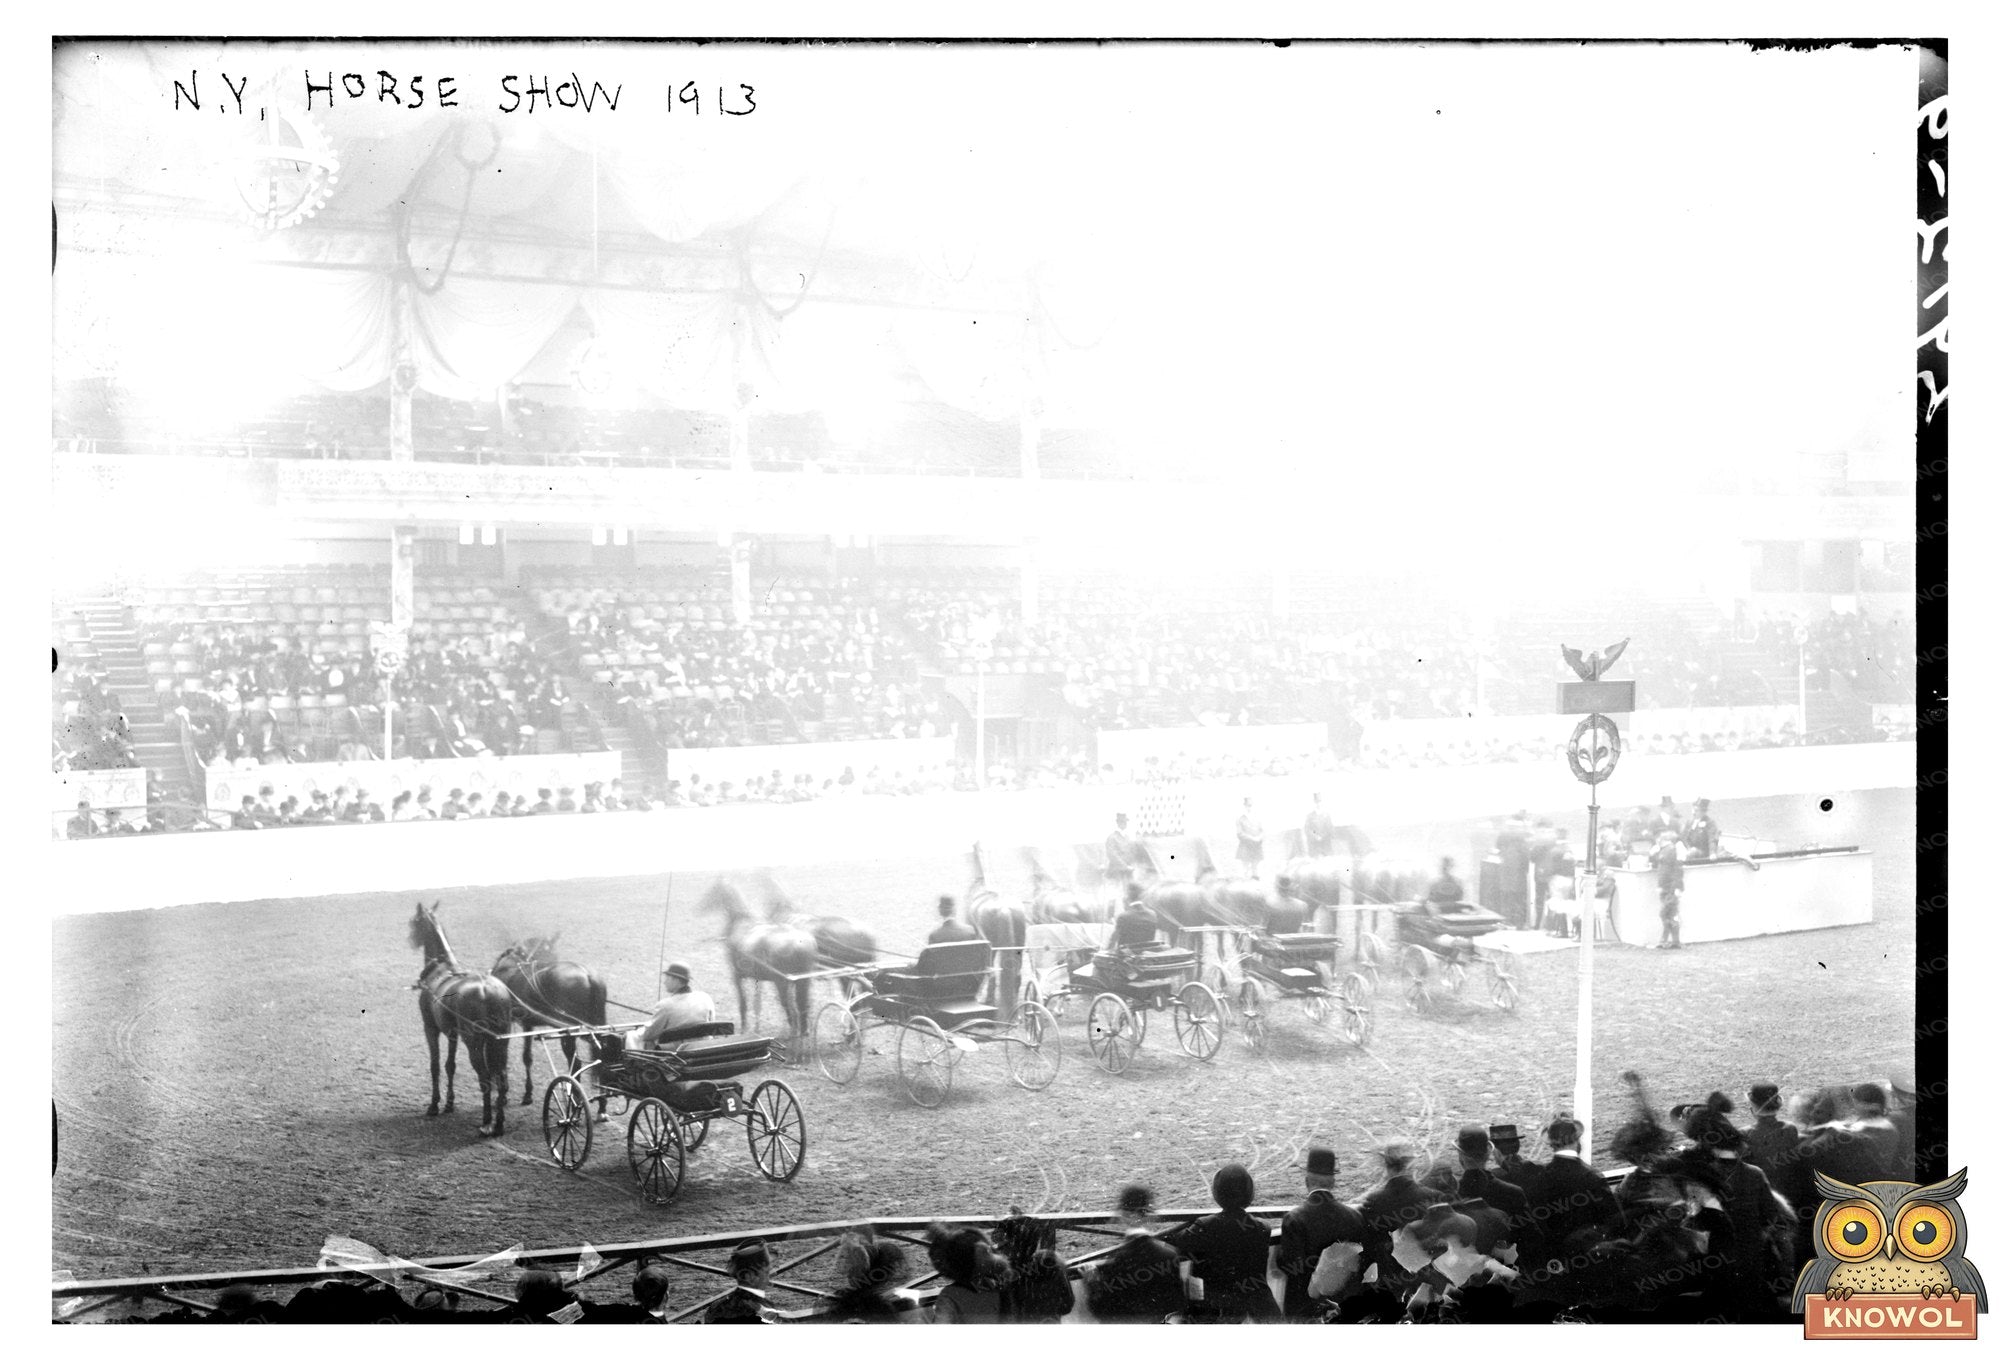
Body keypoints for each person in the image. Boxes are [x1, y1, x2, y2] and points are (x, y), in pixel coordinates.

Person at [1173, 1163, 1280, 1323]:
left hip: (1213, 1311)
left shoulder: (1205, 1226)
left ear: (1218, 1193)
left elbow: (1177, 1242)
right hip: (1251, 1308)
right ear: (1248, 1192)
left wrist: (1193, 1225)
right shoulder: (1262, 1228)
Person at [1275, 1146, 1368, 1320]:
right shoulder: (1354, 1216)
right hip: (1344, 1307)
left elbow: (1289, 1265)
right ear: (1333, 1182)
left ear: (1306, 1181)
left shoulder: (1294, 1218)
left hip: (1306, 1309)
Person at [1084, 1184, 1188, 1323]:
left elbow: (1101, 1310)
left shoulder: (1116, 1260)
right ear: (1150, 1216)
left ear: (1122, 1215)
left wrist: (1092, 1282)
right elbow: (1177, 1303)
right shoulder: (1170, 1255)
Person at [1519, 1116, 1620, 1258]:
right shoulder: (1592, 1176)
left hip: (1554, 1256)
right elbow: (1613, 1219)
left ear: (1552, 1145)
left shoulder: (1539, 1177)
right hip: (1590, 1255)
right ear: (1577, 1141)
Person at [1358, 1140, 1446, 1297]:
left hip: (1391, 1289)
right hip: (1430, 1286)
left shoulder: (1373, 1202)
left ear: (1386, 1165)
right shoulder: (1434, 1197)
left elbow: (1367, 1249)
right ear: (1412, 1165)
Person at [924, 1224, 1010, 1322]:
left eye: (990, 1251)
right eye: (986, 1253)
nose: (997, 1256)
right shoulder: (951, 1296)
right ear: (968, 1264)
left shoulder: (998, 1285)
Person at [632, 962, 717, 1049]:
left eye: (667, 978)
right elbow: (711, 1024)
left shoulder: (666, 1005)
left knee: (632, 1037)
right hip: (702, 1048)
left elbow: (648, 1035)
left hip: (676, 1053)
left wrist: (633, 1033)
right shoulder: (705, 997)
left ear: (676, 980)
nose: (664, 982)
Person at [703, 1241, 773, 1323]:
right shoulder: (766, 1311)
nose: (773, 1273)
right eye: (767, 1271)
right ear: (749, 1276)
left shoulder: (716, 1307)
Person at [1743, 1083, 1800, 1178]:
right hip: (1787, 1182)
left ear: (1752, 1110)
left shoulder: (1745, 1133)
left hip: (1761, 1185)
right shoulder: (1790, 1128)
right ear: (1778, 1106)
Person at [1652, 829, 1686, 949]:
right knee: (1670, 914)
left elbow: (1677, 869)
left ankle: (1665, 940)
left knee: (1666, 913)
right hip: (1667, 886)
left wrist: (1677, 886)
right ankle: (1673, 941)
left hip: (1670, 886)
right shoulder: (1666, 850)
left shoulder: (1671, 850)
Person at [1111, 883, 1160, 950]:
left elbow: (1113, 941)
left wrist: (1105, 950)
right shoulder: (1153, 914)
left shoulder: (1123, 917)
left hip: (1127, 956)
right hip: (1148, 954)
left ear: (1127, 898)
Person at [1103, 812, 1142, 891]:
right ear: (1118, 823)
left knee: (1130, 890)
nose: (1124, 824)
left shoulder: (1127, 837)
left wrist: (1131, 865)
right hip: (1117, 871)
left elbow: (1131, 851)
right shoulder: (1112, 837)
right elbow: (1112, 855)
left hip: (1128, 870)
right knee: (1119, 892)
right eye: (1122, 822)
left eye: (1125, 822)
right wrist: (1125, 866)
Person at [1235, 797, 1265, 878]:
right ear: (1244, 806)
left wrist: (1259, 837)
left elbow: (1262, 830)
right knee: (1245, 871)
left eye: (1251, 805)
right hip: (1245, 847)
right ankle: (1245, 887)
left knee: (1256, 870)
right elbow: (1239, 834)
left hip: (1256, 847)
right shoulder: (1240, 818)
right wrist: (1252, 838)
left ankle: (1257, 887)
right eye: (1248, 805)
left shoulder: (1258, 817)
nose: (1250, 808)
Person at [1303, 793, 1336, 858]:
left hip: (1326, 845)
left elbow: (1330, 829)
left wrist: (1322, 836)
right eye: (1316, 802)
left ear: (1322, 803)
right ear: (1314, 804)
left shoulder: (1326, 816)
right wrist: (1315, 836)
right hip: (1314, 846)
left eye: (1320, 802)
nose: (1318, 804)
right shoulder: (1310, 816)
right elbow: (1307, 829)